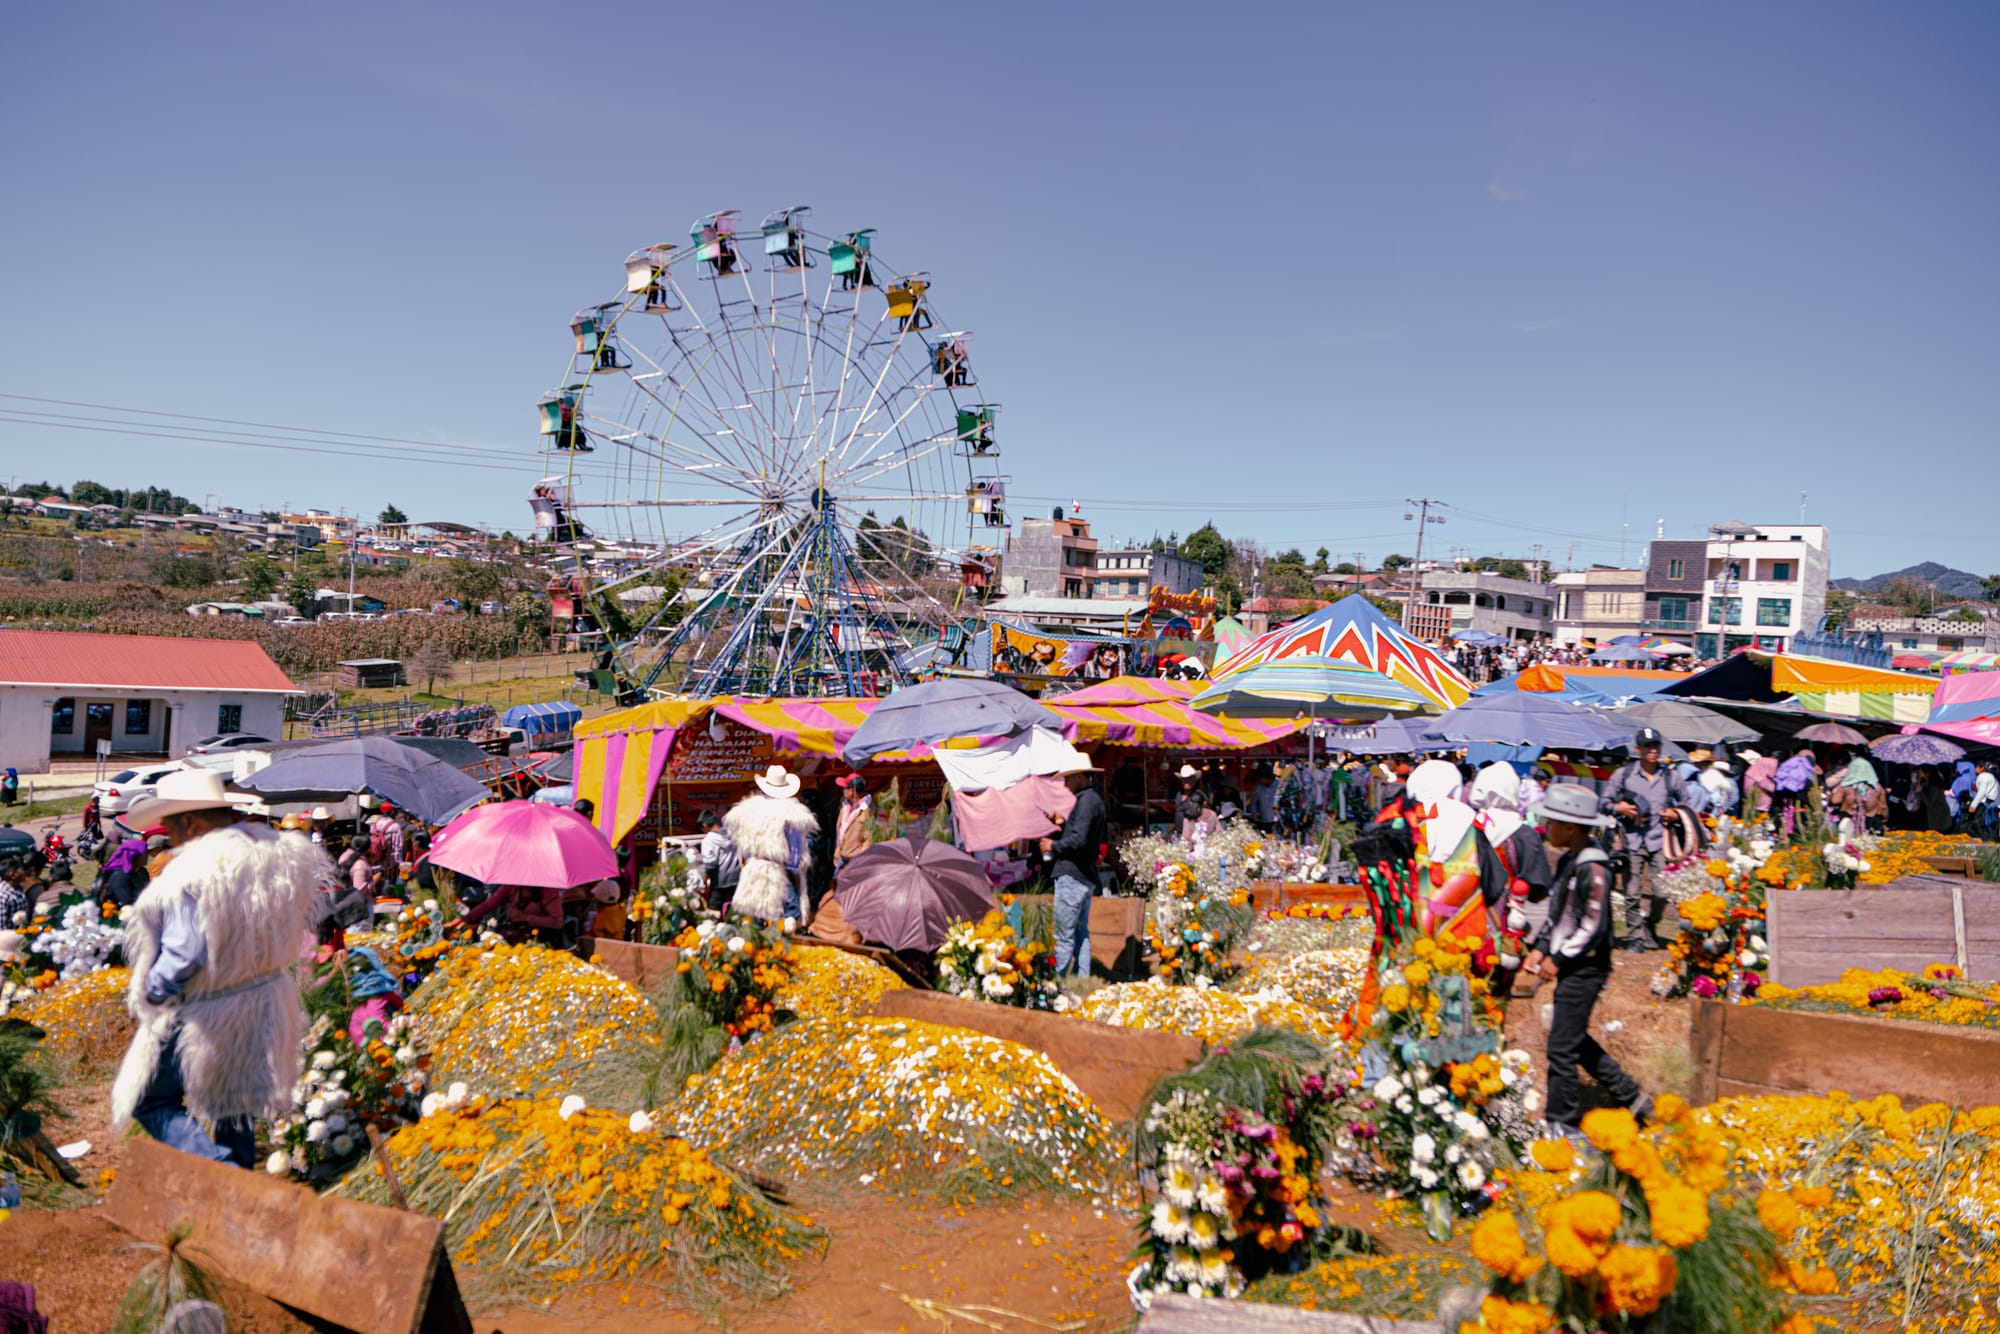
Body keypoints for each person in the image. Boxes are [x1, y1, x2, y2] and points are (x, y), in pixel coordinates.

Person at [111, 770, 323, 1168]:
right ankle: (237, 1174)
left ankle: (222, 1174)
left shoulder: (197, 869)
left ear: (189, 823)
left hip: (210, 1006)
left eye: (171, 831)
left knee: (149, 1097)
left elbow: (184, 954)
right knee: (235, 1100)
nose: (171, 842)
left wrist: (152, 992)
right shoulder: (277, 853)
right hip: (264, 996)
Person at [1521, 783, 1650, 1140]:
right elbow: (1558, 915)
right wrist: (1540, 947)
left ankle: (1561, 1122)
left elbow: (1593, 925)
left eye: (1553, 821)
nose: (1547, 826)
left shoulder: (1594, 868)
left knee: (1561, 1048)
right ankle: (1634, 1099)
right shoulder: (1569, 861)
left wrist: (1558, 958)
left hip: (1586, 966)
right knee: (1572, 1038)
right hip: (1572, 961)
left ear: (1572, 828)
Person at [1599, 728, 1690, 953]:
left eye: (1655, 746)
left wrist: (1676, 813)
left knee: (1662, 892)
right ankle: (1636, 937)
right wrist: (1618, 807)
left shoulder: (1671, 776)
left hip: (1661, 841)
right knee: (1632, 891)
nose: (1652, 750)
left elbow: (1687, 804)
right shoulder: (1625, 774)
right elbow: (1604, 801)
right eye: (1647, 746)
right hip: (1631, 841)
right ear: (1638, 749)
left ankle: (1651, 924)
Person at [723, 766, 817, 923]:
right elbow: (795, 852)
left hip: (753, 868)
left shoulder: (748, 810)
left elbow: (740, 843)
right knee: (790, 914)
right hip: (777, 869)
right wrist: (795, 870)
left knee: (756, 913)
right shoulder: (791, 813)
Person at [1040, 760, 1106, 978]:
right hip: (1084, 874)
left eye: (1068, 778)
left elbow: (1078, 840)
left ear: (1079, 776)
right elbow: (1081, 837)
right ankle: (1082, 978)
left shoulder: (1086, 801)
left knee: (1064, 932)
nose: (1066, 784)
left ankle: (1055, 980)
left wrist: (1054, 845)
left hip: (1073, 874)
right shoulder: (1092, 800)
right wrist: (1063, 824)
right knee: (1080, 931)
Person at [460, 881, 566, 947]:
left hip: (541, 943)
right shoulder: (511, 886)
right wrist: (467, 918)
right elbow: (489, 904)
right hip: (514, 940)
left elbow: (557, 922)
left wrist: (527, 918)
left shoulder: (548, 890)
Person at [697, 809, 741, 911]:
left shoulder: (709, 840)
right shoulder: (732, 834)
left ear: (704, 825)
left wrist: (705, 879)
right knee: (736, 908)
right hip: (736, 877)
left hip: (718, 880)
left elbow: (711, 863)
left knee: (715, 909)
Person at [834, 775, 873, 869]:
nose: (843, 790)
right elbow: (841, 831)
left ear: (852, 791)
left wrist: (860, 857)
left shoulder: (868, 810)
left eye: (845, 788)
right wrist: (837, 851)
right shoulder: (844, 807)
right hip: (842, 858)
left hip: (857, 861)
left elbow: (870, 839)